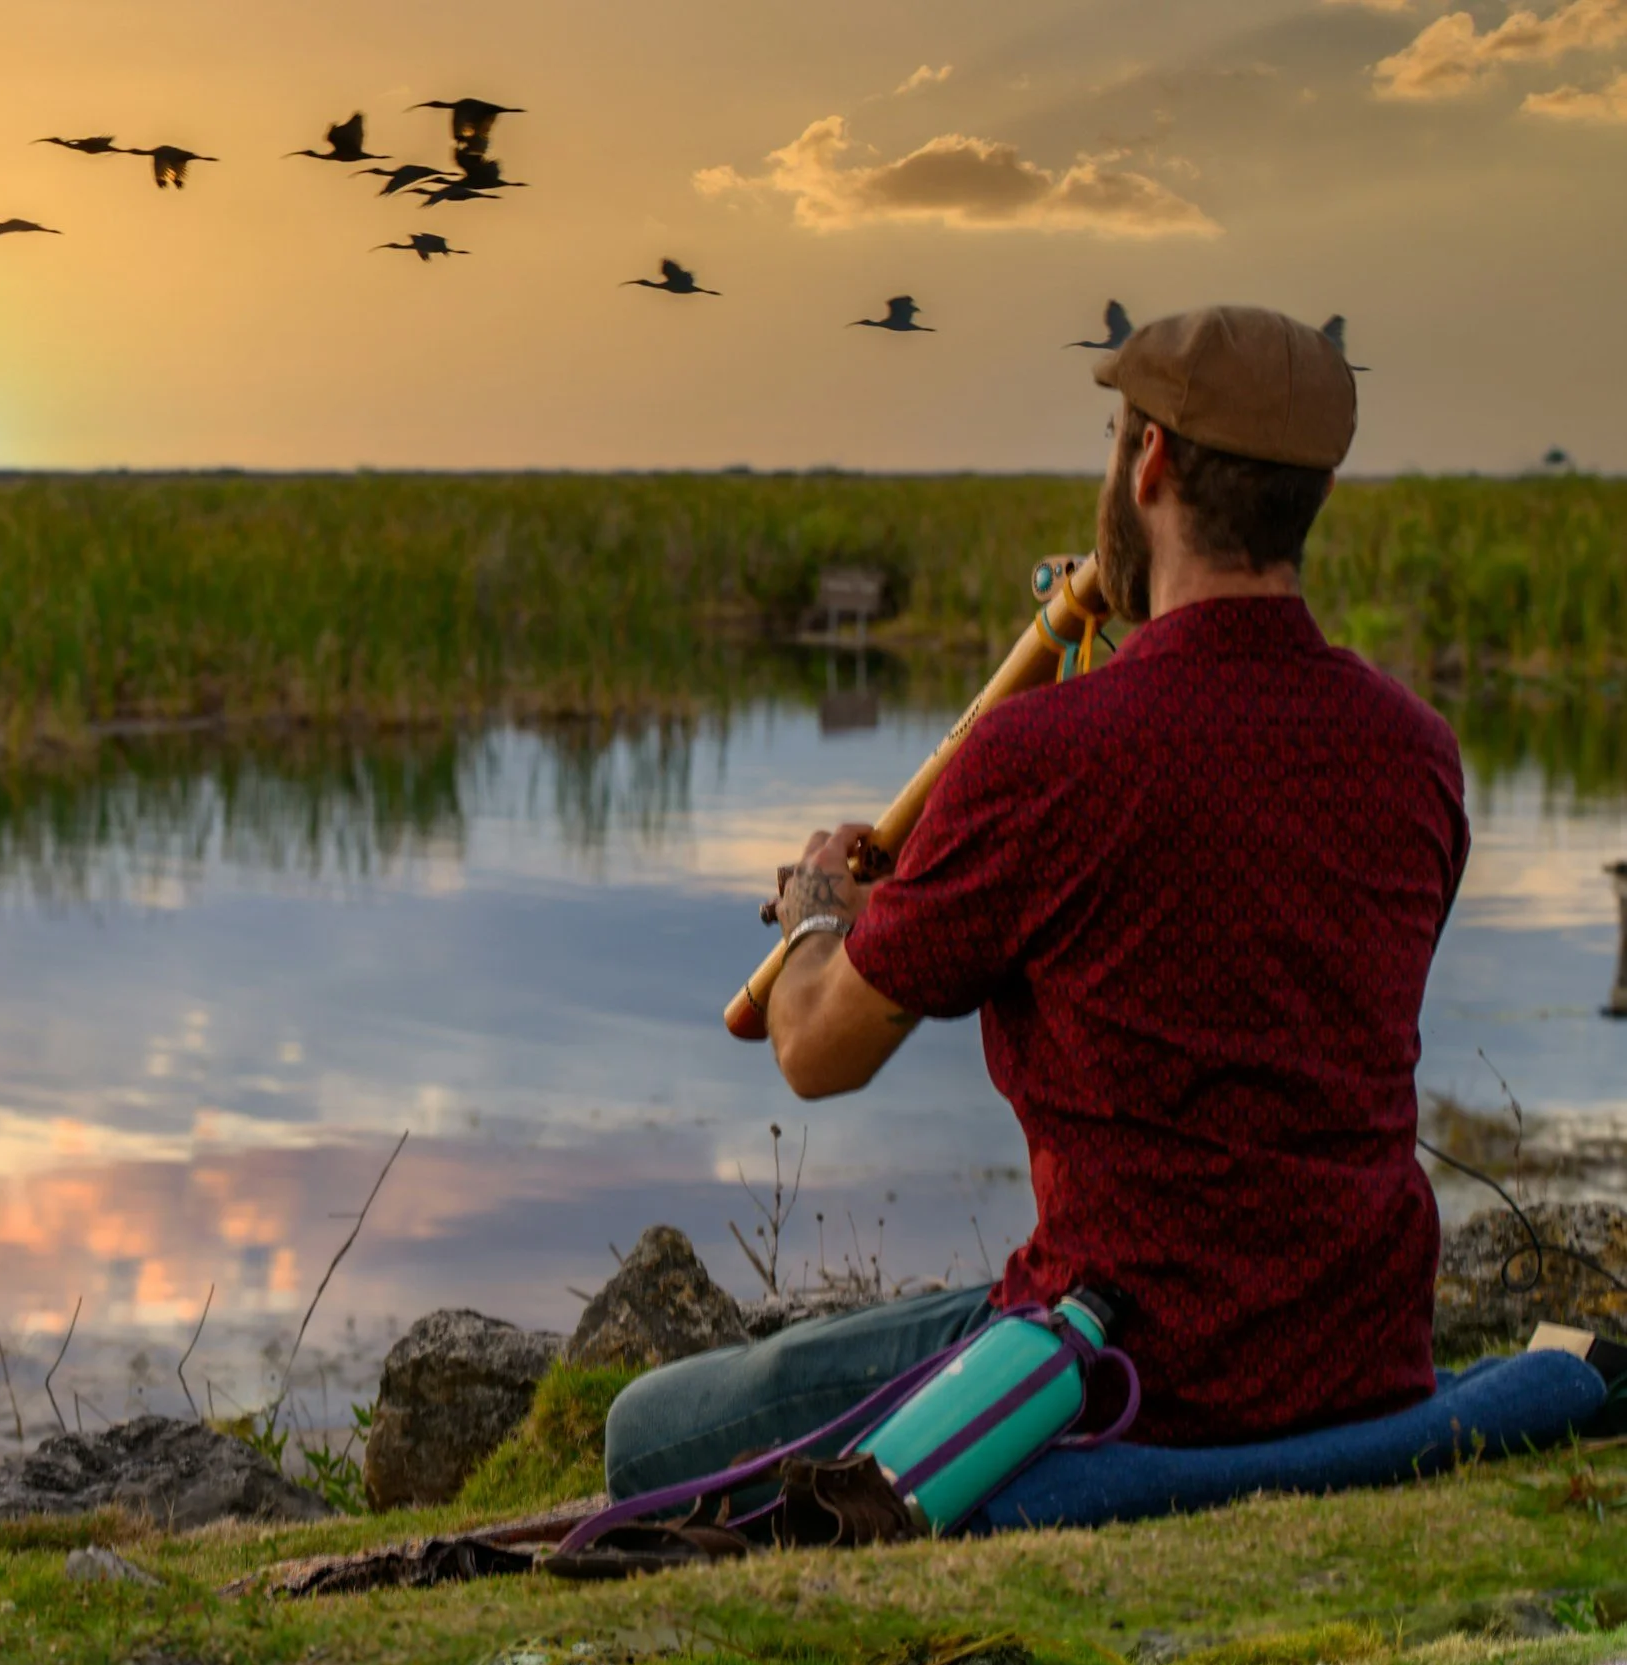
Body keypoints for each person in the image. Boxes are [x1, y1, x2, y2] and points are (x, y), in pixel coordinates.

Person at [604, 306, 1471, 1498]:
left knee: (648, 1432)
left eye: (1118, 438)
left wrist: (818, 908)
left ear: (1150, 462)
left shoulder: (1045, 759)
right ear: (1314, 488)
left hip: (1118, 1364)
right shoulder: (1414, 753)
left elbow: (814, 1050)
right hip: (1361, 1362)